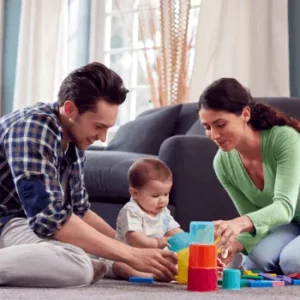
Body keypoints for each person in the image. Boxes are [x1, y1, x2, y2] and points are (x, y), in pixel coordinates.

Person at [0, 62, 178, 287]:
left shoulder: (74, 140)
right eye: (98, 126)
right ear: (70, 109)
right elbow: (49, 219)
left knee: (96, 250)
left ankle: (107, 264)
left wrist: (127, 248)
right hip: (5, 222)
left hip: (22, 223)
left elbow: (80, 212)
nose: (102, 138)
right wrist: (130, 255)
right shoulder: (34, 128)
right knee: (78, 265)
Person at [197, 77, 300, 275]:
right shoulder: (223, 163)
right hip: (291, 225)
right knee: (256, 262)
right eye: (207, 127)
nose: (214, 135)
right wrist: (233, 244)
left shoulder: (284, 139)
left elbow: (284, 208)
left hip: (287, 217)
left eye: (220, 124)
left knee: (291, 262)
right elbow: (256, 222)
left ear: (245, 114)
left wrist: (237, 224)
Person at [111, 158, 224, 280]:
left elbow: (174, 231)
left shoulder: (163, 211)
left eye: (166, 194)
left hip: (154, 257)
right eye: (155, 196)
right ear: (134, 193)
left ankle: (172, 273)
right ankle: (146, 276)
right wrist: (157, 243)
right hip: (130, 256)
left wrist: (192, 241)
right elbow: (134, 237)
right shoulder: (131, 210)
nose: (162, 200)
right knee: (119, 265)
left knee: (173, 258)